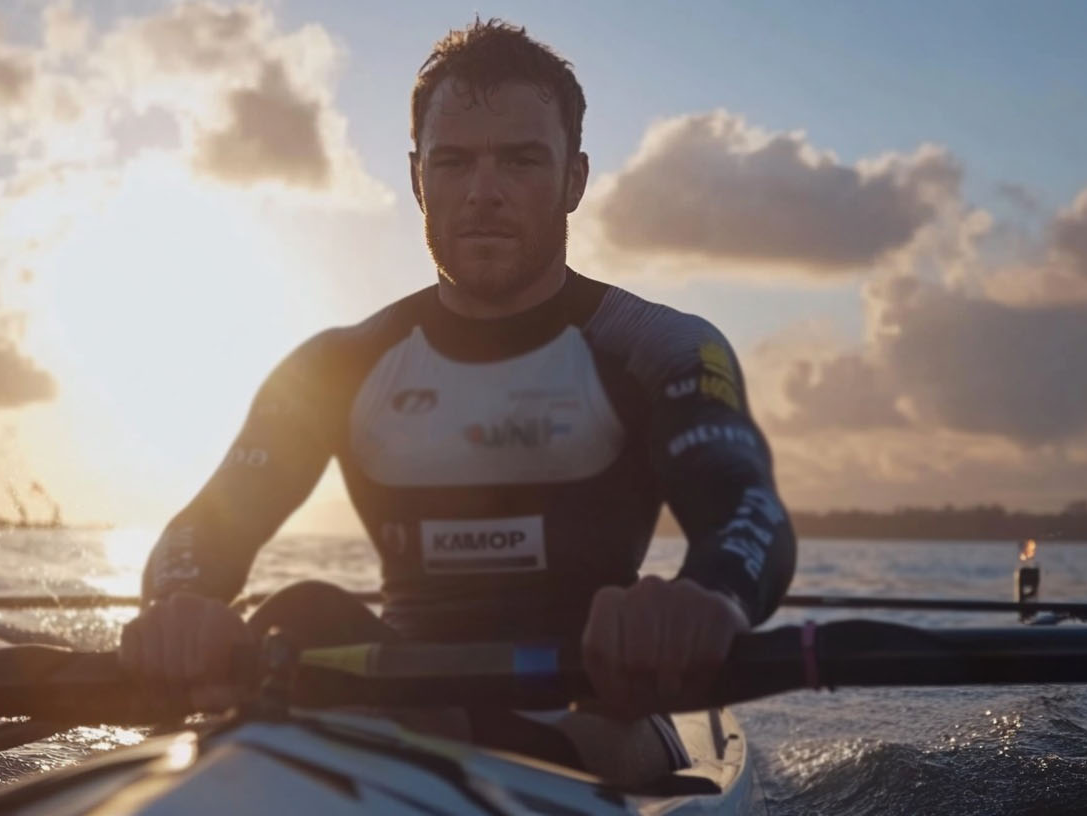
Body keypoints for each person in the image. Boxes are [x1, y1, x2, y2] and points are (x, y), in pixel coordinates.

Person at [119, 18, 796, 784]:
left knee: (569, 722)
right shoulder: (335, 365)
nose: (483, 192)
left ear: (574, 180)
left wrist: (707, 598)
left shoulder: (661, 348)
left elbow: (749, 509)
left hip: (596, 707)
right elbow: (204, 529)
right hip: (387, 690)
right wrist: (178, 606)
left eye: (519, 160)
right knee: (299, 614)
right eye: (454, 162)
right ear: (418, 180)